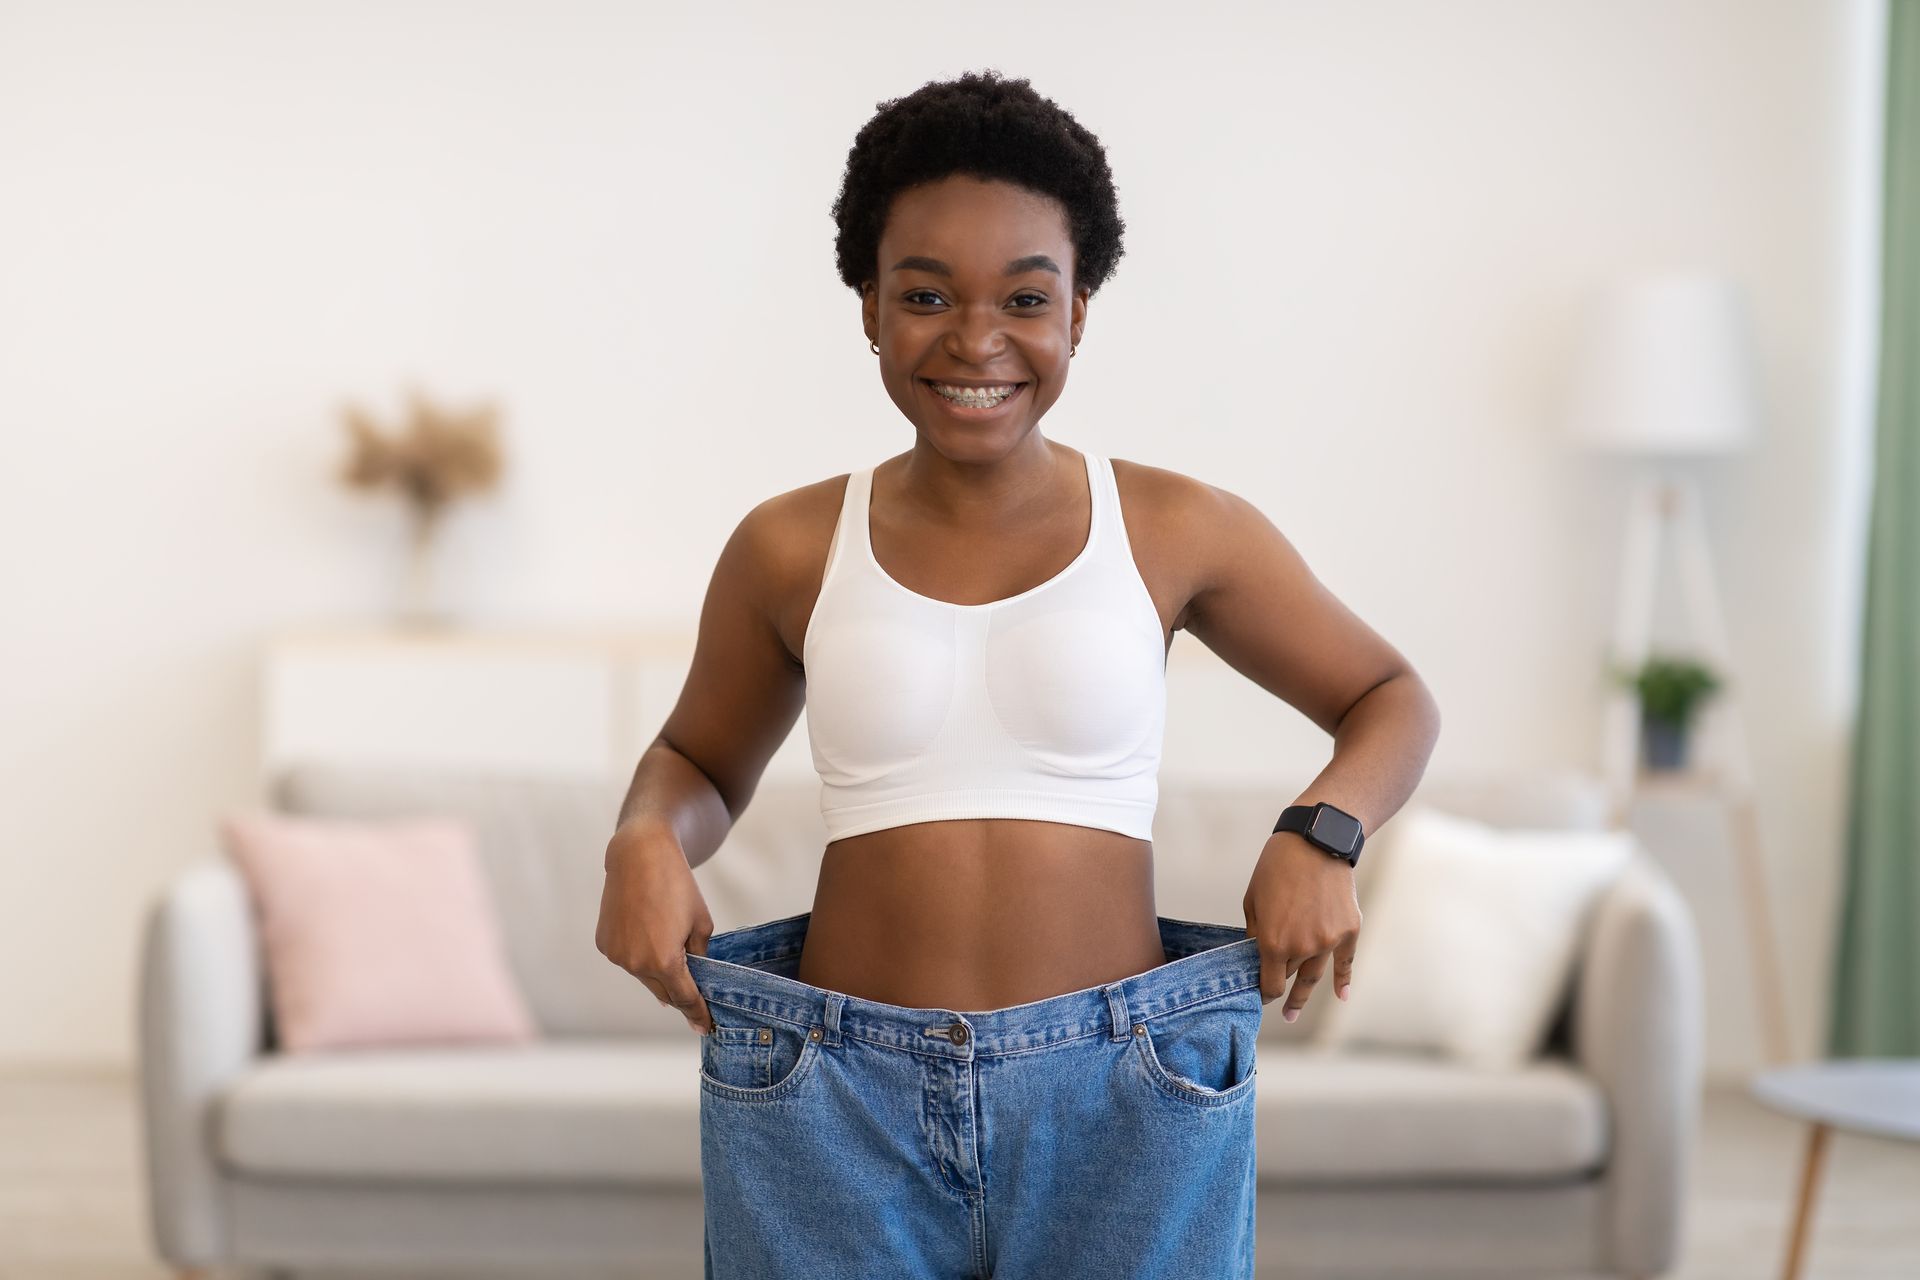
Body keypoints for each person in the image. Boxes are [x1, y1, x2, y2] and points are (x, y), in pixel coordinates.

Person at [596, 68, 1441, 1280]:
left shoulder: (1175, 525)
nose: (976, 338)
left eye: (1025, 296)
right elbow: (698, 763)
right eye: (926, 293)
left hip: (1126, 1088)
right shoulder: (786, 544)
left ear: (1081, 308)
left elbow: (1391, 696)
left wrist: (1324, 832)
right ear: (870, 308)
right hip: (831, 1091)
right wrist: (645, 834)